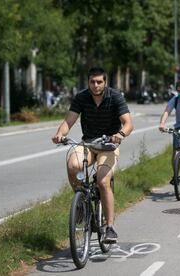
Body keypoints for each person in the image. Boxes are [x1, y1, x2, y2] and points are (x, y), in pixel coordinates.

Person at [52, 67, 133, 244]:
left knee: (103, 182)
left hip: (109, 146)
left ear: (105, 82)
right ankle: (81, 203)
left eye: (99, 82)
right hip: (88, 143)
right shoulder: (81, 97)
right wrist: (60, 134)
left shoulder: (115, 97)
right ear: (88, 82)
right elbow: (69, 120)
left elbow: (128, 123)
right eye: (92, 82)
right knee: (73, 164)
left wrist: (120, 134)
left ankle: (110, 227)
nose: (95, 85)